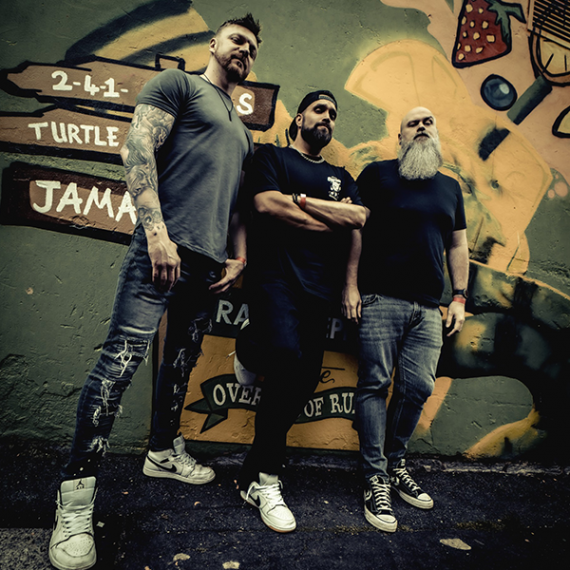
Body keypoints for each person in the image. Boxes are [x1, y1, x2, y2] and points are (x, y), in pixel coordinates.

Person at [48, 14, 261, 570]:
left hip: (208, 267)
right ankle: (75, 498)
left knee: (181, 364)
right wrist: (157, 234)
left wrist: (238, 259)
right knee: (119, 364)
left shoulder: (244, 133)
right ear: (213, 43)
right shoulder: (178, 85)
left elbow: (238, 206)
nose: (244, 49)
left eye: (252, 46)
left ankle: (163, 452)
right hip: (161, 251)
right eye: (237, 39)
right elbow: (137, 149)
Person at [235, 90, 369, 533]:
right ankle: (268, 480)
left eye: (333, 113)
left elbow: (358, 220)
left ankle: (251, 474)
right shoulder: (272, 157)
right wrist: (329, 216)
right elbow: (265, 204)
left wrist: (304, 203)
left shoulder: (341, 176)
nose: (327, 117)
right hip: (274, 277)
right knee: (285, 354)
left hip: (320, 289)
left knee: (304, 379)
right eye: (319, 109)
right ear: (299, 118)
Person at [342, 106, 469, 533]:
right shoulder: (377, 175)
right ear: (400, 137)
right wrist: (350, 286)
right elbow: (354, 230)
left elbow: (458, 245)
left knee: (418, 388)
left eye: (428, 122)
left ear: (436, 133)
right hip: (379, 298)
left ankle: (395, 464)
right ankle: (374, 476)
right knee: (374, 384)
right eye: (412, 123)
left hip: (429, 308)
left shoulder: (450, 188)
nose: (421, 127)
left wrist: (459, 297)